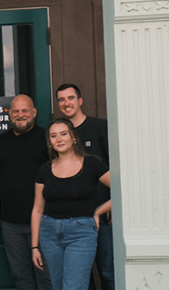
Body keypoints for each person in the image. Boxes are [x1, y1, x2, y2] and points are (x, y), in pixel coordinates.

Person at [0, 95, 52, 290]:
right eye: (16, 111)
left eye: (25, 111)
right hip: (11, 223)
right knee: (21, 277)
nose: (20, 115)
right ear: (9, 114)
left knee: (46, 276)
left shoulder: (47, 139)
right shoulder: (0, 142)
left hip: (44, 220)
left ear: (34, 112)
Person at [31, 118, 112, 290]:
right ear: (50, 142)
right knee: (58, 287)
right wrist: (34, 246)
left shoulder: (92, 164)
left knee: (73, 287)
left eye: (63, 134)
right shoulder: (44, 169)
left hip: (81, 233)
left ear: (73, 137)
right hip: (49, 233)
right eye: (53, 136)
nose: (59, 139)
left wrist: (99, 211)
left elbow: (123, 191)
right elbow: (37, 210)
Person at [56, 83, 113, 290]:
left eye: (70, 98)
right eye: (61, 100)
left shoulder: (99, 127)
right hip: (73, 218)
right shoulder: (59, 135)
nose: (66, 103)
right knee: (80, 275)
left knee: (108, 271)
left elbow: (115, 169)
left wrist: (113, 205)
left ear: (80, 101)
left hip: (102, 213)